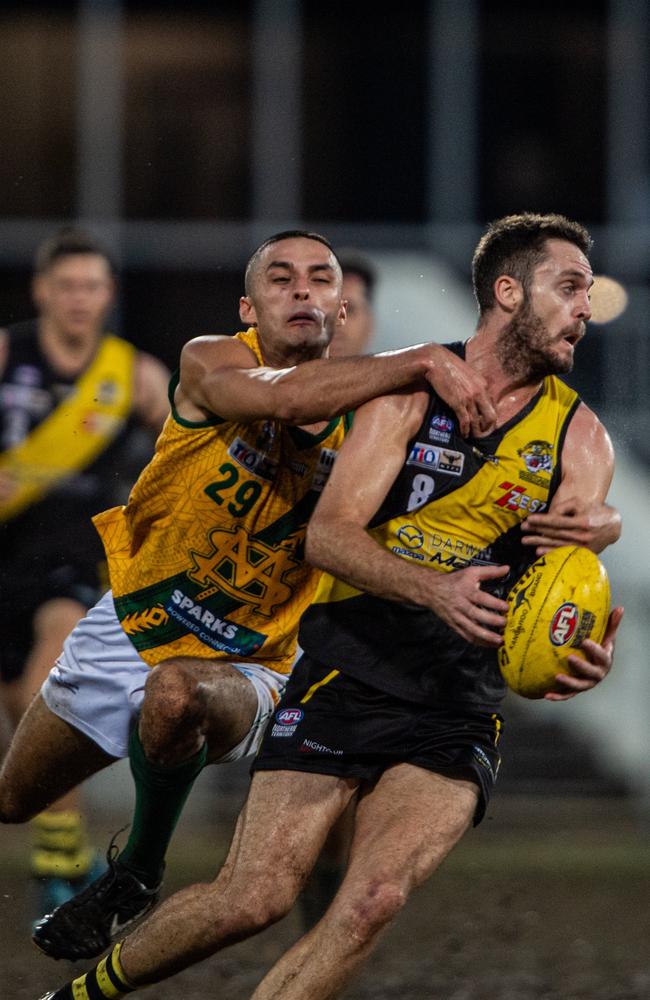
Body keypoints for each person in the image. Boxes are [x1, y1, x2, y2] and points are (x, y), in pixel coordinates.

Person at [37, 213, 623, 1000]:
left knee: (372, 902)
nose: (587, 305)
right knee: (250, 900)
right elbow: (330, 538)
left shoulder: (581, 440)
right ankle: (77, 994)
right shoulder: (408, 395)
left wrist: (576, 649)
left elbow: (562, 591)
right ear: (508, 291)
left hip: (456, 698)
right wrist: (434, 588)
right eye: (571, 286)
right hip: (343, 669)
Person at [0, 229, 498, 961]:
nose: (303, 290)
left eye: (321, 280)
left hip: (259, 656)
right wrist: (426, 357)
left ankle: (138, 869)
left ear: (344, 306)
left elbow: (475, 499)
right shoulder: (213, 359)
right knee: (14, 800)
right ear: (248, 306)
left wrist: (590, 519)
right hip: (134, 620)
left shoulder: (382, 425)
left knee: (176, 697)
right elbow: (287, 399)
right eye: (282, 279)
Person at [0, 227, 170, 918]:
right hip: (2, 558)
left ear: (108, 295)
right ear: (43, 290)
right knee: (18, 709)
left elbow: (187, 449)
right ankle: (61, 842)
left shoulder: (135, 375)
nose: (78, 298)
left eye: (91, 286)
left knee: (48, 680)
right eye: (66, 285)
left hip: (71, 563)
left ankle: (54, 860)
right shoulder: (8, 353)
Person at [298, 248, 377, 929]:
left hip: (345, 615)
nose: (340, 318)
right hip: (264, 613)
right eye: (330, 302)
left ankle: (323, 877)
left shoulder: (396, 413)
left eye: (353, 305)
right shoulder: (270, 393)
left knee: (344, 788)